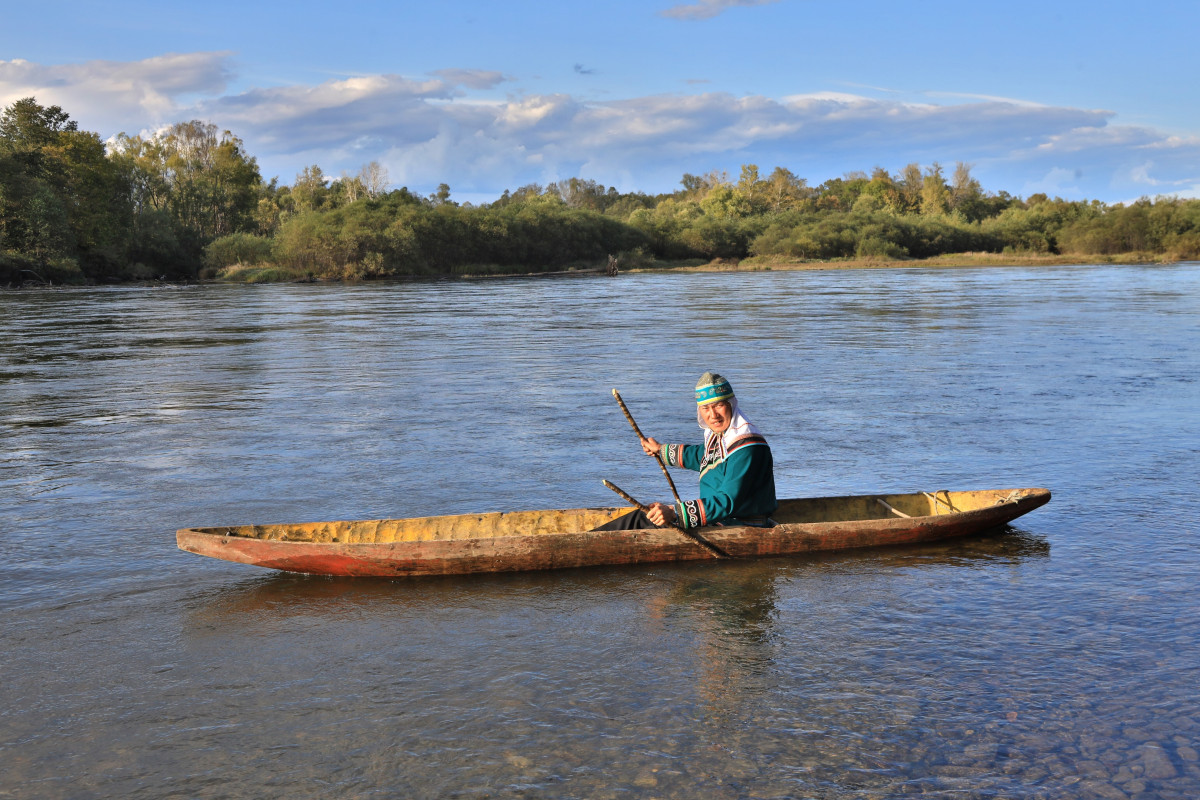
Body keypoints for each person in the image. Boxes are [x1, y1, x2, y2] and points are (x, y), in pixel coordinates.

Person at [598, 372, 777, 530]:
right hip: (720, 521)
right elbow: (704, 456)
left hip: (737, 526)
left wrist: (675, 513)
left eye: (719, 405)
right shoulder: (722, 437)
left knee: (642, 519)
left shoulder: (747, 447)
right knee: (646, 516)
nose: (713, 415)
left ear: (731, 405)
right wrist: (661, 450)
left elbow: (727, 502)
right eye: (706, 408)